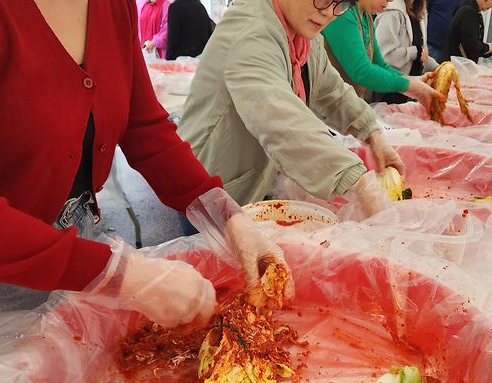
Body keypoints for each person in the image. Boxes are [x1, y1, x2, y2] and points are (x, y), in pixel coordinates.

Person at [0, 0, 291, 326]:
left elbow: (144, 127)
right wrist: (121, 275)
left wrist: (226, 216)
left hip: (78, 242)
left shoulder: (112, 7)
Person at [179, 0, 405, 234]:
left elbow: (332, 92)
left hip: (251, 181)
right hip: (210, 187)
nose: (329, 12)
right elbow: (278, 116)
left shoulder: (305, 36)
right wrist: (359, 183)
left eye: (341, 3)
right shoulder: (251, 30)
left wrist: (372, 133)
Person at [320, 0, 442, 103]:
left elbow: (380, 65)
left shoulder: (366, 17)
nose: (389, 1)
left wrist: (412, 81)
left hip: (349, 102)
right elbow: (362, 72)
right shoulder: (343, 14)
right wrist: (410, 86)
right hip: (327, 108)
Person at [375, 0, 440, 104]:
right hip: (391, 91)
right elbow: (385, 56)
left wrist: (440, 68)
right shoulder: (392, 13)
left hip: (411, 91)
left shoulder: (420, 12)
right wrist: (415, 52)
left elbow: (423, 54)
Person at [447, 0, 492, 64]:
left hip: (463, 65)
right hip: (458, 67)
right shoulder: (467, 12)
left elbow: (472, 44)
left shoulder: (473, 10)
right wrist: (491, 47)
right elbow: (473, 47)